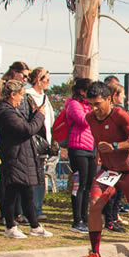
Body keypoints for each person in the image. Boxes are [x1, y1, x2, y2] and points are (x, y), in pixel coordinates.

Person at [79, 80, 129, 257]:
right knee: (94, 205)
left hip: (128, 171)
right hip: (108, 171)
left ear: (108, 99)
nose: (94, 109)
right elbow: (99, 139)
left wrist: (115, 147)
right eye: (91, 104)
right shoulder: (90, 118)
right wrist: (99, 153)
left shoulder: (120, 114)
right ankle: (95, 254)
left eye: (98, 104)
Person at [0, 80, 50, 239]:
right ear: (12, 95)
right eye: (20, 95)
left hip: (23, 154)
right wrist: (39, 116)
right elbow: (27, 129)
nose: (22, 99)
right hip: (15, 155)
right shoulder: (6, 112)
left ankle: (34, 225)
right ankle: (10, 226)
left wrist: (34, 114)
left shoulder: (14, 111)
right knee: (12, 192)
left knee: (27, 192)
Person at [54, 78, 97, 233]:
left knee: (89, 185)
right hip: (78, 148)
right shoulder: (73, 104)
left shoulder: (90, 106)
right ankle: (76, 220)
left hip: (91, 148)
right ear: (81, 91)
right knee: (80, 184)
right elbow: (83, 121)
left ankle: (86, 218)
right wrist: (94, 110)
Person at [23, 67, 55, 219]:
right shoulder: (29, 95)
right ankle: (30, 209)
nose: (48, 82)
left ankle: (38, 208)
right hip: (32, 141)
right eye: (46, 79)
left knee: (41, 176)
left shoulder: (45, 97)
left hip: (44, 142)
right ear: (37, 80)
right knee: (32, 177)